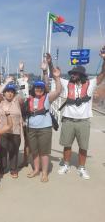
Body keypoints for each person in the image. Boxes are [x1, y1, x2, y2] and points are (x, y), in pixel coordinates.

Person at [57, 46, 105, 179]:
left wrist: (104, 60)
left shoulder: (90, 84)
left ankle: (82, 168)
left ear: (82, 75)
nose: (72, 75)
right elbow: (55, 76)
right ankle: (66, 164)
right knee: (67, 145)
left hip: (83, 121)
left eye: (75, 73)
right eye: (72, 73)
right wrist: (49, 65)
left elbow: (102, 75)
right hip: (68, 120)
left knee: (83, 146)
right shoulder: (67, 83)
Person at [25, 60, 62, 182]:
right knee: (34, 151)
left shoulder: (47, 97)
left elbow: (58, 91)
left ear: (43, 89)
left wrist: (56, 78)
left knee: (44, 152)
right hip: (31, 128)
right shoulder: (29, 98)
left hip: (44, 128)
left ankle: (44, 173)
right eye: (37, 87)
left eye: (41, 88)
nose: (39, 89)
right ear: (33, 88)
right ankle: (36, 169)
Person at [0, 75, 24, 178]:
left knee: (14, 151)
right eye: (7, 91)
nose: (9, 93)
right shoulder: (0, 102)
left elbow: (23, 94)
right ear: (4, 93)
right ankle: (1, 168)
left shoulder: (17, 102)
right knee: (1, 151)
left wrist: (21, 73)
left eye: (12, 92)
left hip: (15, 131)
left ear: (14, 94)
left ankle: (13, 169)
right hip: (2, 131)